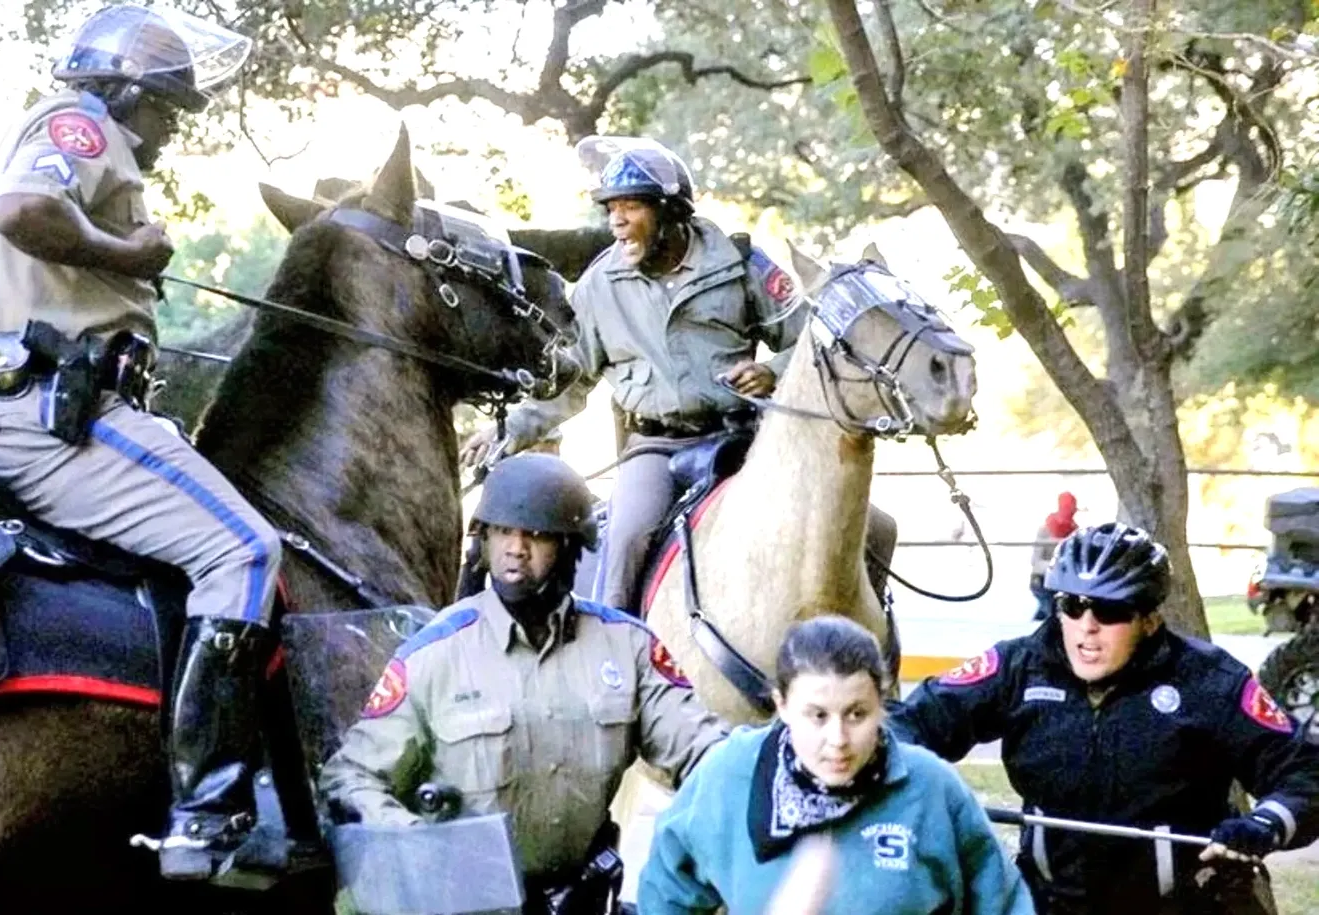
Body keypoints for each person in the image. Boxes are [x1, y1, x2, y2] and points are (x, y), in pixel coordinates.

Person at [0, 5, 279, 880]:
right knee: (247, 551)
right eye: (162, 109)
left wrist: (65, 270)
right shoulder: (81, 123)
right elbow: (23, 208)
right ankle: (209, 811)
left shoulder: (24, 134)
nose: (163, 133)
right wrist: (122, 250)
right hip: (45, 421)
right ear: (124, 89)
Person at [320, 453, 729, 915]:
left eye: (535, 534)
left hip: (581, 899)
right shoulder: (434, 655)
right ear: (484, 541)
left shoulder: (626, 647)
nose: (516, 547)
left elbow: (705, 751)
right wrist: (420, 850)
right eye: (502, 532)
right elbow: (350, 777)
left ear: (570, 546)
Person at [891, 522, 1319, 915]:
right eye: (1072, 605)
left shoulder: (1211, 681)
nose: (1086, 625)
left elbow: (1303, 772)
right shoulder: (1017, 666)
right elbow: (909, 726)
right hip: (1047, 904)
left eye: (1110, 611)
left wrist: (1265, 824)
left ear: (1149, 619)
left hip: (1185, 905)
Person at [458, 136, 807, 612]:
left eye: (631, 207)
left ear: (670, 212)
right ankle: (621, 654)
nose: (616, 221)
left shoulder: (742, 264)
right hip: (657, 448)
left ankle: (864, 652)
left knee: (849, 523)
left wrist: (771, 371)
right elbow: (571, 381)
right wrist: (507, 429)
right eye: (611, 209)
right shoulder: (599, 285)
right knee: (625, 538)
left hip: (751, 437)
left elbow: (813, 344)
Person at [637, 616, 1035, 915]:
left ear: (883, 705)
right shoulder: (727, 777)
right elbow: (666, 891)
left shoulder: (933, 789)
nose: (838, 739)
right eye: (817, 715)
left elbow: (1003, 902)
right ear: (781, 706)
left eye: (857, 714)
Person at [1029, 492, 1078, 621]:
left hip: (1063, 583)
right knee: (1053, 615)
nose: (1071, 511)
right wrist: (1056, 566)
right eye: (1068, 507)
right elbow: (1035, 560)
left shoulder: (1075, 530)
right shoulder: (1044, 529)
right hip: (1042, 581)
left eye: (1072, 508)